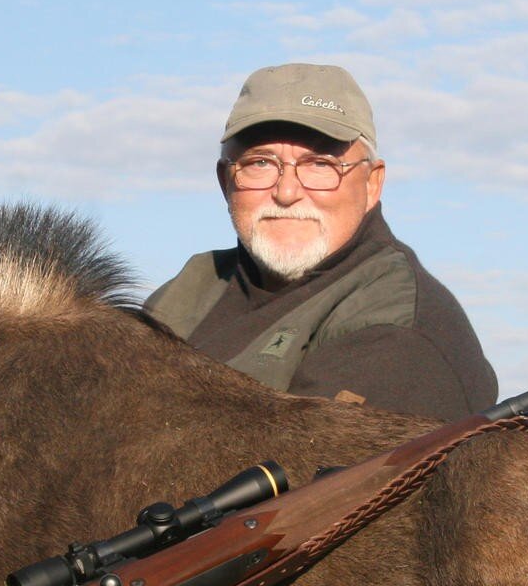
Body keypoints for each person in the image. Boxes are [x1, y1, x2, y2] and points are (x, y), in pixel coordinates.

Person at [144, 63, 497, 420]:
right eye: (260, 163)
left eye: (320, 165)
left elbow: (307, 467)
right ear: (225, 181)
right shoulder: (185, 291)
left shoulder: (396, 328)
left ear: (372, 183)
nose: (286, 192)